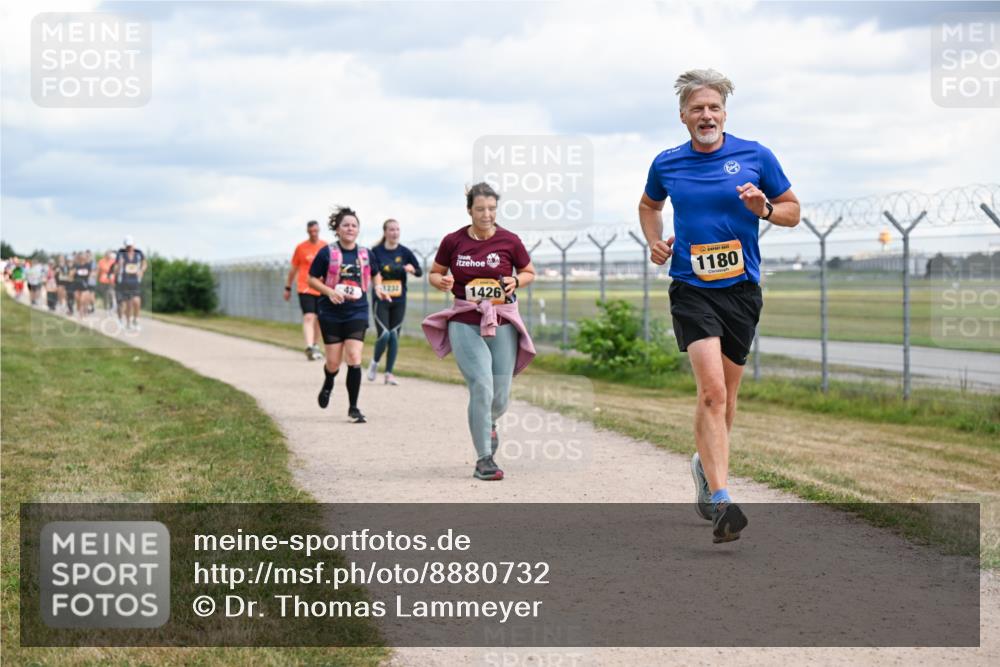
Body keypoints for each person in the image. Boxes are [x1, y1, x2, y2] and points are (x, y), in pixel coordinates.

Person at [638, 68, 800, 543]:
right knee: (710, 392)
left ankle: (704, 468)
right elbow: (649, 206)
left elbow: (792, 210)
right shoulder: (667, 163)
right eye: (696, 108)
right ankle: (722, 500)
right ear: (683, 116)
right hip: (691, 286)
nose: (705, 115)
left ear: (724, 113)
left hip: (741, 291)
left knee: (725, 400)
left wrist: (764, 209)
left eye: (713, 107)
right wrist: (654, 241)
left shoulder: (755, 155)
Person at [422, 183, 537, 481]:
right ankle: (484, 459)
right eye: (480, 209)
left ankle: (488, 423)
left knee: (501, 394)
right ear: (469, 210)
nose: (486, 214)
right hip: (464, 318)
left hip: (502, 318)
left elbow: (529, 272)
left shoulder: (510, 241)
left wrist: (516, 281)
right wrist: (441, 282)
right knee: (482, 384)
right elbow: (434, 272)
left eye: (491, 209)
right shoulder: (453, 241)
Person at [306, 207, 389, 424]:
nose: (350, 228)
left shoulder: (366, 254)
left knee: (354, 357)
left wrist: (378, 288)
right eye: (346, 225)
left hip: (357, 311)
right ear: (338, 229)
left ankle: (353, 408)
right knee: (333, 362)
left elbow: (376, 274)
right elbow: (312, 279)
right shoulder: (327, 253)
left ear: (358, 229)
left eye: (354, 225)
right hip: (331, 312)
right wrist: (330, 292)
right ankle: (328, 382)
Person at [367, 218, 423, 385]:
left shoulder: (404, 252)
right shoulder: (375, 251)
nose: (395, 233)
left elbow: (419, 271)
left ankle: (389, 373)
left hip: (399, 299)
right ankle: (374, 363)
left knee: (394, 336)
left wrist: (412, 270)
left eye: (397, 229)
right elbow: (371, 271)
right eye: (391, 229)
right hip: (381, 299)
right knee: (384, 334)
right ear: (385, 232)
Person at [285, 220, 326, 361]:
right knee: (309, 316)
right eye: (311, 232)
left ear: (319, 230)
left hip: (321, 287)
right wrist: (288, 287)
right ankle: (309, 346)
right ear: (307, 232)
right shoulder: (301, 248)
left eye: (316, 231)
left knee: (320, 320)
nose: (313, 234)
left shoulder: (325, 246)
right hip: (305, 286)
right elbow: (293, 269)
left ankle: (315, 345)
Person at [114, 236, 147, 331]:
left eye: (131, 246)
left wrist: (141, 270)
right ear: (125, 245)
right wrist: (119, 266)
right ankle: (127, 322)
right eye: (127, 246)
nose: (129, 248)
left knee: (136, 301)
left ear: (133, 244)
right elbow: (116, 268)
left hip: (135, 281)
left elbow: (144, 264)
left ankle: (135, 319)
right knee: (127, 304)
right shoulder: (120, 254)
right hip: (123, 282)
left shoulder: (139, 253)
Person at [72, 252, 95, 319]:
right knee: (78, 300)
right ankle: (83, 309)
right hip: (77, 284)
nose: (82, 257)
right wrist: (73, 273)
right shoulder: (76, 266)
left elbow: (92, 273)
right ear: (79, 258)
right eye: (81, 256)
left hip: (85, 285)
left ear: (85, 258)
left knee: (82, 300)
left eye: (84, 256)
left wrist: (92, 275)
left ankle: (81, 315)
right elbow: (72, 274)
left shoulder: (88, 265)